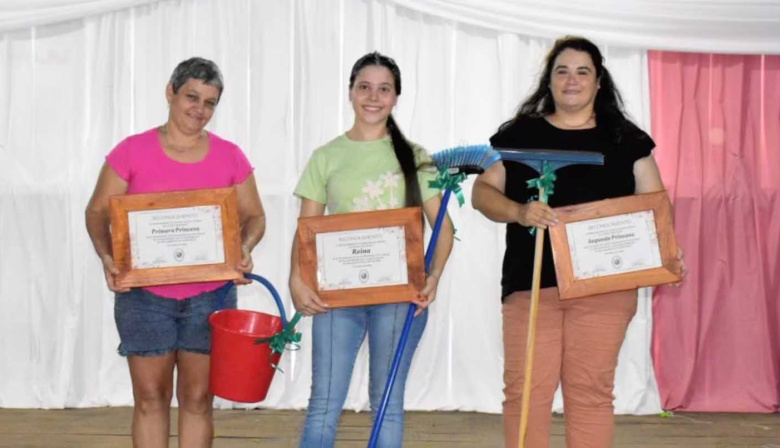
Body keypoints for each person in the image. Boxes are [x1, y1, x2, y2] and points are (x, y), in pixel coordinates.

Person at [472, 36, 685, 448]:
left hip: (605, 289)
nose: (572, 80)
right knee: (525, 393)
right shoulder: (520, 135)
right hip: (532, 286)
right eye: (562, 71)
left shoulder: (626, 140)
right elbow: (483, 193)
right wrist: (519, 211)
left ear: (598, 81)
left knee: (590, 393)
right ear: (549, 80)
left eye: (582, 71)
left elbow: (655, 206)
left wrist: (669, 252)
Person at [85, 57, 265, 448]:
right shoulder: (131, 151)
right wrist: (107, 257)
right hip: (143, 297)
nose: (200, 109)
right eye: (191, 97)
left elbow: (255, 216)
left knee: (198, 399)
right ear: (171, 92)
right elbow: (97, 212)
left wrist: (245, 247)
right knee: (151, 398)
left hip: (211, 296)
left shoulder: (230, 155)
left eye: (210, 102)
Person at [288, 51, 454, 448]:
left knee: (387, 405)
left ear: (396, 97)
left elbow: (444, 229)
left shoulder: (416, 157)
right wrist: (296, 278)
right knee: (324, 403)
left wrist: (433, 277)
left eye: (384, 89)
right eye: (364, 87)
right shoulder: (326, 157)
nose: (373, 97)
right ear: (350, 92)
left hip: (399, 297)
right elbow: (306, 230)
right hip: (335, 297)